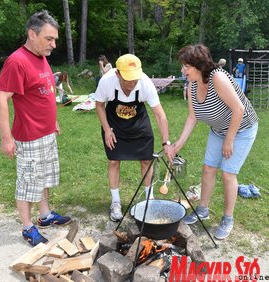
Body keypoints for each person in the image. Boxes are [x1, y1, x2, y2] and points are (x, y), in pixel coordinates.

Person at [0, 10, 71, 247]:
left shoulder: (41, 57)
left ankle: (45, 215)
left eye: (55, 39)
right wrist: (7, 138)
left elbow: (44, 91)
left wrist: (53, 120)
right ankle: (28, 227)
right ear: (32, 34)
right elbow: (0, 98)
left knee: (44, 177)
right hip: (29, 136)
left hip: (46, 132)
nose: (53, 44)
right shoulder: (17, 61)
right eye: (49, 38)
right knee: (28, 182)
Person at [172, 44, 258, 240]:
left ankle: (228, 218)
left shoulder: (218, 78)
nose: (182, 70)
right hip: (219, 130)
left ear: (198, 65)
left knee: (228, 173)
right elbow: (192, 117)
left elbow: (238, 110)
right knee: (208, 168)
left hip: (242, 129)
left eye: (186, 66)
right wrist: (177, 145)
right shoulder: (193, 84)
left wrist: (229, 140)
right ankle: (203, 209)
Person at [95, 54, 174, 222]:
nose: (133, 84)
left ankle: (149, 200)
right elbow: (99, 105)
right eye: (129, 80)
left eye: (135, 80)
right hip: (114, 125)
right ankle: (115, 202)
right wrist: (107, 129)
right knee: (114, 161)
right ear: (118, 74)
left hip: (139, 125)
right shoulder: (107, 81)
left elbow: (160, 115)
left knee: (146, 161)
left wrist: (166, 142)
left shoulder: (144, 83)